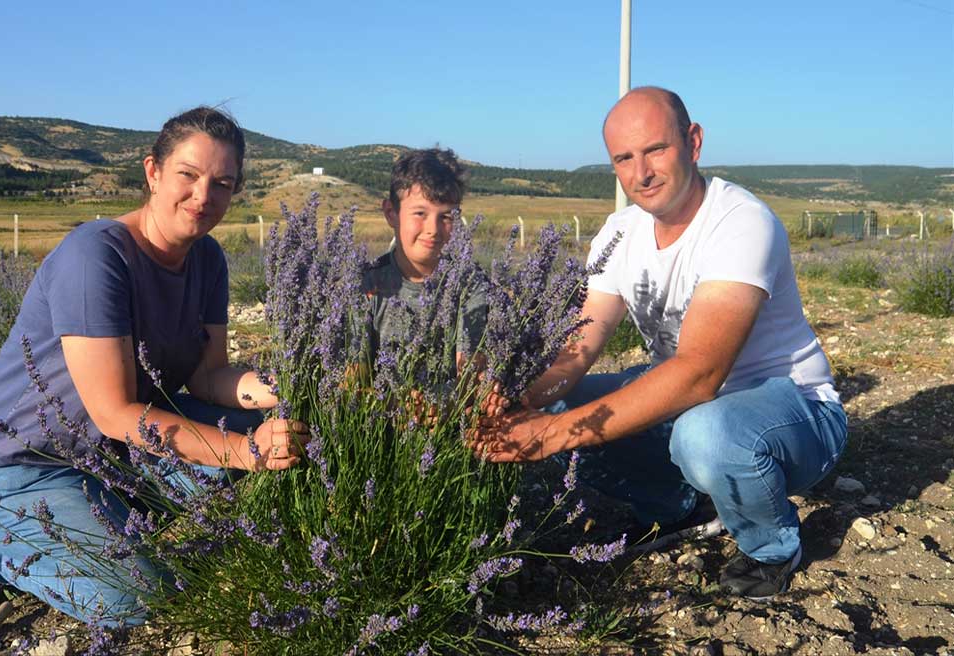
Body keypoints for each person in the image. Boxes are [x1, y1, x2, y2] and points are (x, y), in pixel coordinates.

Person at [0, 107, 309, 628]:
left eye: (222, 183)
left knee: (298, 444)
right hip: (20, 462)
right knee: (132, 599)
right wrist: (247, 452)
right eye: (189, 175)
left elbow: (208, 378)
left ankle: (106, 519)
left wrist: (292, 388)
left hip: (112, 453)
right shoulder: (97, 257)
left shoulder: (208, 259)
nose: (204, 197)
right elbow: (115, 413)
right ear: (152, 172)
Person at [468, 87, 848, 600]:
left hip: (792, 410)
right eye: (624, 159)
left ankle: (771, 547)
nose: (640, 172)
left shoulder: (739, 222)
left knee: (704, 436)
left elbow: (699, 374)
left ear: (693, 141)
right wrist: (521, 402)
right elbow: (580, 344)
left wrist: (552, 434)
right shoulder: (621, 234)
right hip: (693, 406)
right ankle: (673, 504)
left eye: (655, 150)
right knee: (562, 403)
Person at [363, 147, 488, 370]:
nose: (433, 229)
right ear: (391, 213)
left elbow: (470, 380)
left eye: (446, 216)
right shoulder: (365, 284)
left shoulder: (470, 285)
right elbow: (351, 382)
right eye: (420, 213)